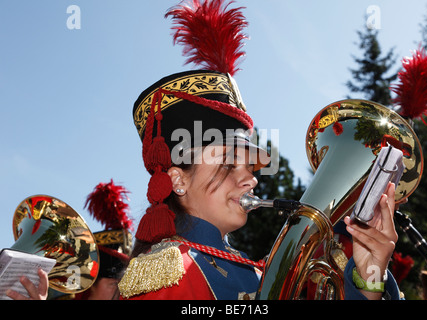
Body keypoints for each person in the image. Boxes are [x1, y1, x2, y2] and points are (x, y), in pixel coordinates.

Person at [118, 0, 401, 300]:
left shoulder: (257, 271)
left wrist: (370, 277)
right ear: (178, 180)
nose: (251, 179)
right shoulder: (165, 274)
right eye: (228, 163)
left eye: (250, 167)